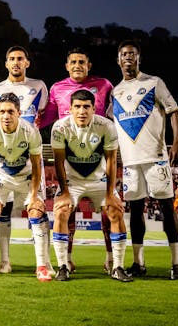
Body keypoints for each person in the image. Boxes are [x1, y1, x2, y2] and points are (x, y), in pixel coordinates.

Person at [112, 39, 178, 279]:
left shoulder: (154, 83)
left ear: (139, 58)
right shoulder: (116, 91)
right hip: (131, 162)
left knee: (166, 207)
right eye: (124, 54)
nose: (128, 57)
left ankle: (176, 264)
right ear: (118, 60)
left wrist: (176, 142)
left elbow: (174, 111)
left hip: (156, 158)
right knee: (135, 211)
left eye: (132, 53)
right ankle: (138, 263)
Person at [40, 47, 115, 273]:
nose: (77, 66)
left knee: (108, 211)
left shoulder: (105, 85)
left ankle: (111, 258)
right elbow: (45, 119)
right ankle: (67, 259)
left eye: (82, 62)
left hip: (98, 153)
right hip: (70, 156)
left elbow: (116, 114)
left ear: (89, 65)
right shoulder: (57, 88)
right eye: (73, 62)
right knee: (66, 210)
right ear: (66, 65)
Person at [0, 45, 48, 274]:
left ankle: (44, 263)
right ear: (6, 63)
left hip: (28, 160)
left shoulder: (39, 86)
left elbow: (45, 115)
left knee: (37, 210)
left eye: (20, 58)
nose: (16, 62)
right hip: (1, 163)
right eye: (11, 59)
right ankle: (4, 261)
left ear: (27, 62)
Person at [50, 89, 131, 282]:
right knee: (61, 211)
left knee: (115, 211)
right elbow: (59, 162)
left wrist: (111, 194)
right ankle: (63, 265)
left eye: (86, 106)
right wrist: (65, 193)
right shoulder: (60, 127)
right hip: (72, 180)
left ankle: (117, 266)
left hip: (99, 180)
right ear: (70, 109)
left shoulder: (106, 126)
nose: (82, 111)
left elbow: (112, 161)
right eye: (77, 106)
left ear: (94, 109)